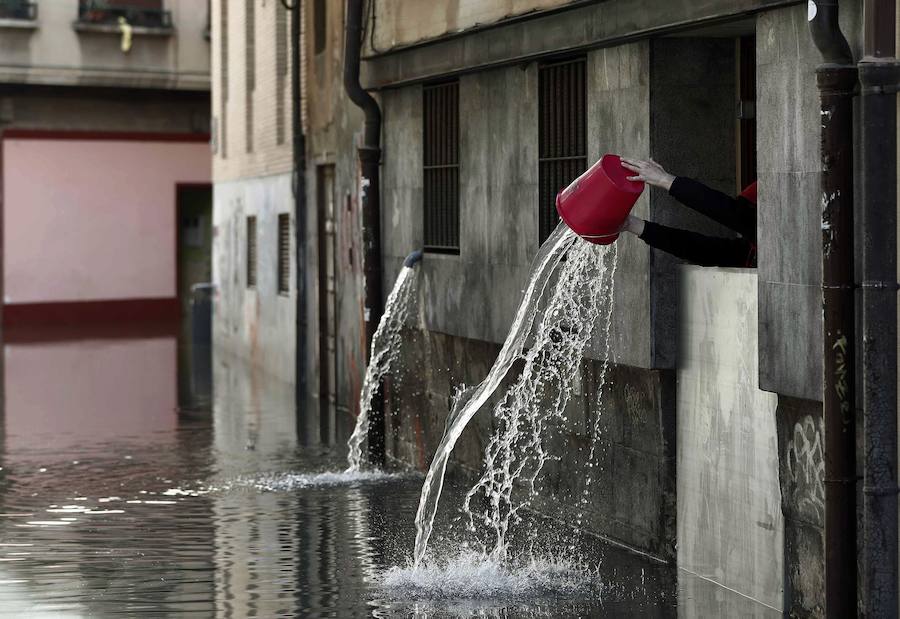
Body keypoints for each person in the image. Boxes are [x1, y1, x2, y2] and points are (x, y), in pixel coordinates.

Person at [618, 157, 757, 268]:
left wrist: (666, 180)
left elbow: (733, 214)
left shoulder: (764, 233)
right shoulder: (750, 253)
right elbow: (702, 250)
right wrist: (633, 225)